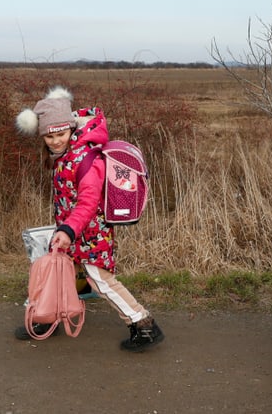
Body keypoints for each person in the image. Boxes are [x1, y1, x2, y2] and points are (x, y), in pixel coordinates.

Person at [14, 86, 164, 352]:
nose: (55, 141)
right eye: (48, 136)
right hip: (73, 229)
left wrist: (69, 230)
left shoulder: (86, 159)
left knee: (100, 279)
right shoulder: (66, 155)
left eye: (60, 134)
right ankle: (47, 318)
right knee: (59, 271)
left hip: (90, 232)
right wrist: (67, 229)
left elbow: (88, 202)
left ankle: (143, 323)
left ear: (71, 129)